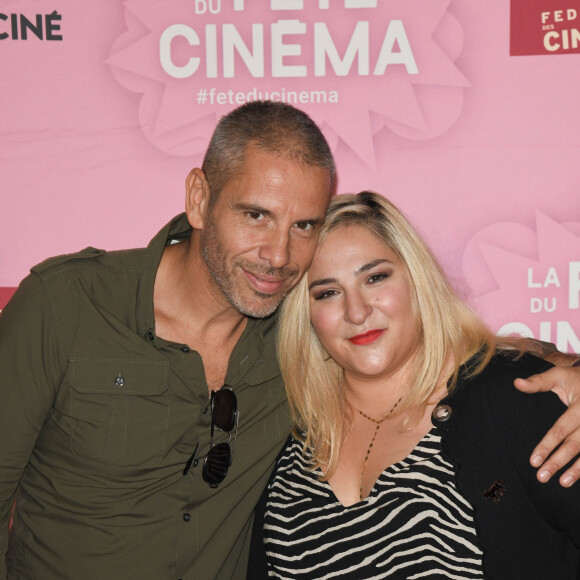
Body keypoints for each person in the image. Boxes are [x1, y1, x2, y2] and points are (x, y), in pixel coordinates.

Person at [0, 103, 578, 580]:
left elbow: (462, 364)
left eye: (303, 225)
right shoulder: (67, 304)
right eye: (256, 215)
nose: (278, 256)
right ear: (200, 198)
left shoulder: (295, 336)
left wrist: (567, 369)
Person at [249, 191, 580, 579]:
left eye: (375, 277)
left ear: (416, 280)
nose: (356, 312)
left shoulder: (514, 397)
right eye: (328, 292)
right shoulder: (277, 442)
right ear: (304, 314)